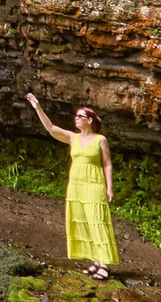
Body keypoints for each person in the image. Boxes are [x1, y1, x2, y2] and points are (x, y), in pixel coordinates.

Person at [26, 91, 119, 279]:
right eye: (76, 116)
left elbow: (107, 164)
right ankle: (96, 261)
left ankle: (105, 265)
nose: (76, 119)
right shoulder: (72, 138)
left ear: (90, 120)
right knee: (83, 220)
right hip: (76, 185)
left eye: (80, 116)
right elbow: (51, 128)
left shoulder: (100, 140)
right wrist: (38, 108)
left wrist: (109, 187)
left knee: (97, 221)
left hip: (94, 183)